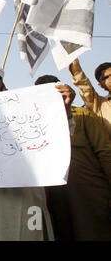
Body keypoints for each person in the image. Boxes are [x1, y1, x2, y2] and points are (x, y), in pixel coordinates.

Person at [0, 62, 64, 241]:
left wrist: (64, 110)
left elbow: (51, 134)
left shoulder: (23, 104)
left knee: (27, 231)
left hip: (22, 188)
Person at [35, 75, 111, 241]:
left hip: (89, 196)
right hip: (55, 198)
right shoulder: (34, 123)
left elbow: (105, 153)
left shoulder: (83, 115)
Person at [69, 59, 111, 139]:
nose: (110, 79)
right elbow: (83, 85)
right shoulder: (99, 104)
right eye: (105, 78)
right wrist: (71, 57)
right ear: (100, 85)